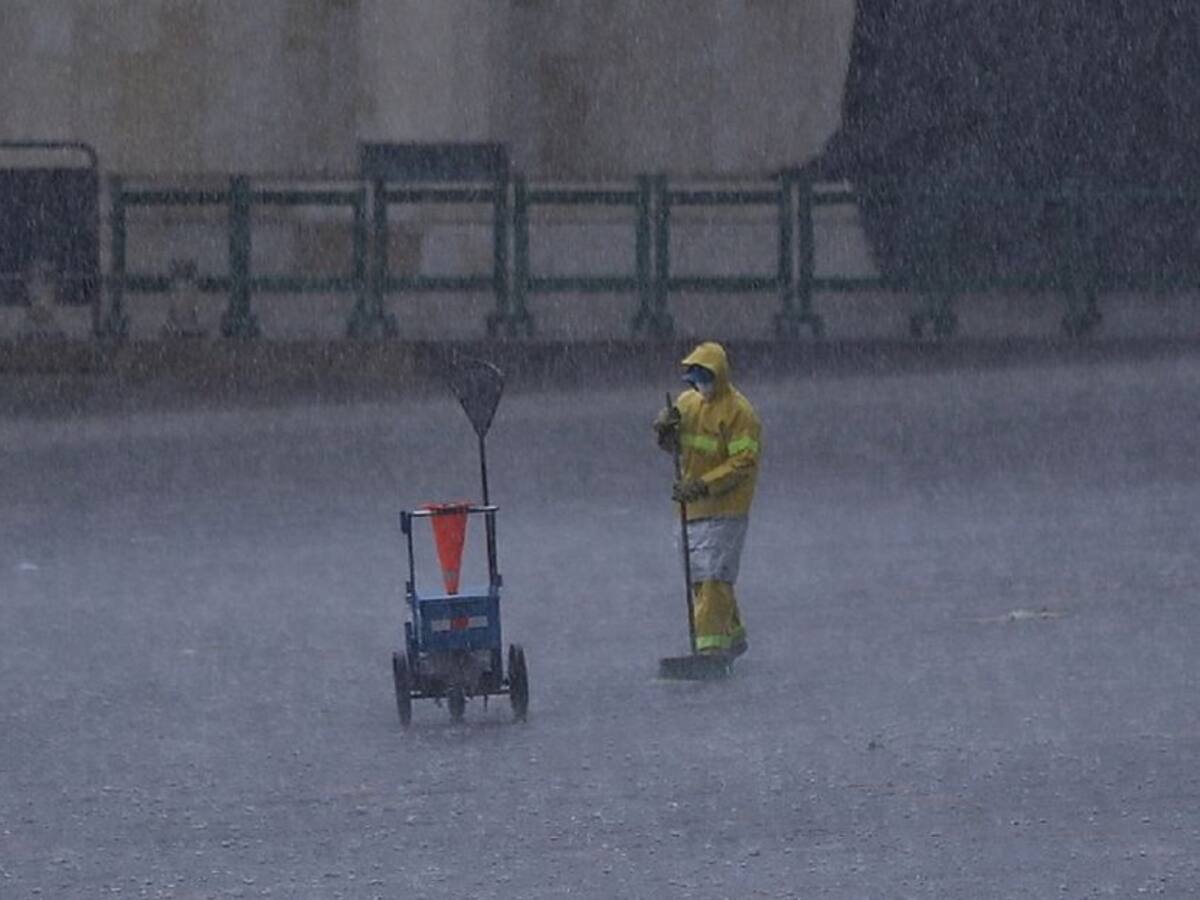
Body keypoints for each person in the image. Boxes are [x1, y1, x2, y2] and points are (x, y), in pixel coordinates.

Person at [653, 341, 762, 658]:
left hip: (727, 509)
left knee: (714, 578)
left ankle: (710, 651)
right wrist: (664, 433)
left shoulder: (740, 413)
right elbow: (676, 447)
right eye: (695, 379)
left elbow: (743, 463)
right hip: (691, 509)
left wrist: (703, 485)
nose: (700, 385)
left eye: (705, 377)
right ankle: (733, 634)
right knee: (703, 578)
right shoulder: (687, 404)